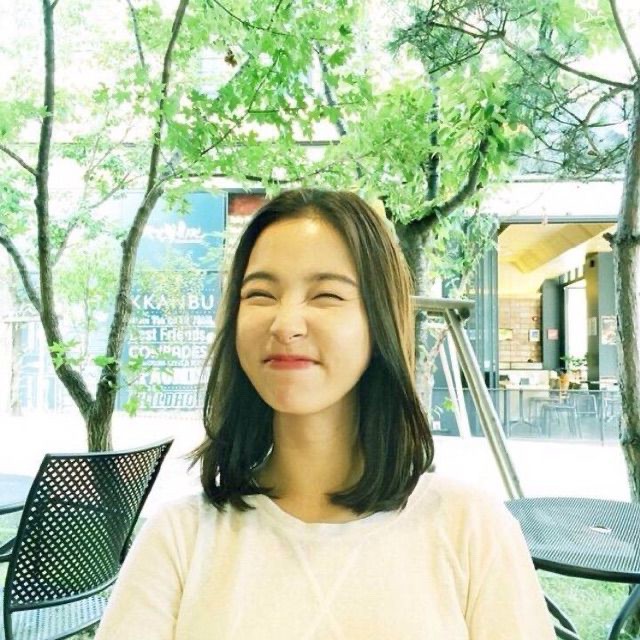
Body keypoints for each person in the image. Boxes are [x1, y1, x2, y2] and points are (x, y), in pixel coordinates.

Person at [95, 189, 556, 639]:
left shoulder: (471, 528)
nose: (285, 325)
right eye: (260, 294)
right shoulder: (180, 538)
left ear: (380, 321)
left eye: (326, 296)